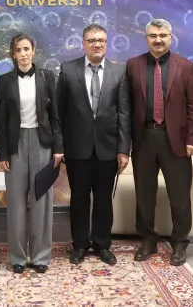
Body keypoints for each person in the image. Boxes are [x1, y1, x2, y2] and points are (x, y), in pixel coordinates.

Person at [125, 19, 193, 266]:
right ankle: (148, 239)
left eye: (163, 35)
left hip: (176, 140)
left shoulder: (185, 66)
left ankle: (180, 242)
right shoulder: (133, 65)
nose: (158, 40)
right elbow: (126, 106)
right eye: (153, 35)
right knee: (144, 194)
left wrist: (192, 139)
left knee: (180, 195)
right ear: (146, 38)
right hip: (144, 138)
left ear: (171, 37)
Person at [56, 23, 131, 266]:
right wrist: (60, 146)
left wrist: (123, 149)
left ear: (106, 44)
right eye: (92, 40)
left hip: (108, 148)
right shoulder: (68, 70)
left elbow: (124, 113)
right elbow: (59, 112)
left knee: (103, 200)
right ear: (84, 44)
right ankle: (79, 245)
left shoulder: (119, 71)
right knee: (78, 199)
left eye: (101, 40)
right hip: (77, 148)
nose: (97, 44)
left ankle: (102, 244)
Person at [0, 33, 63, 273]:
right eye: (18, 50)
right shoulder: (5, 80)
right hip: (14, 144)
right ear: (13, 54)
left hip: (42, 142)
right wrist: (2, 154)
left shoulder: (47, 76)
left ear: (33, 51)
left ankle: (41, 257)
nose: (23, 54)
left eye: (26, 49)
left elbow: (55, 115)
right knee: (15, 202)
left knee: (41, 200)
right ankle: (17, 257)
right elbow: (2, 119)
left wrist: (58, 148)